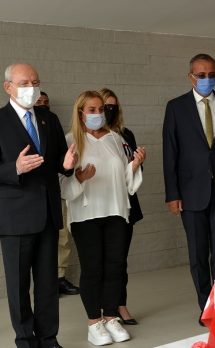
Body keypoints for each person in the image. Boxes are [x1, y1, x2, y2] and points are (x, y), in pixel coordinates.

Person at [0, 63, 81, 348]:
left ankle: (49, 342)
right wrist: (15, 168)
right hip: (15, 217)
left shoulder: (49, 118)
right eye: (24, 83)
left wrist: (67, 164)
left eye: (35, 82)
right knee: (19, 287)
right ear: (8, 86)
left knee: (48, 285)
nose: (31, 88)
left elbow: (57, 163)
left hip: (48, 214)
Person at [163, 53, 215, 326]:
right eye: (201, 75)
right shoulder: (176, 107)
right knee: (198, 254)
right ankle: (206, 305)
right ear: (191, 77)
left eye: (212, 75)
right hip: (190, 192)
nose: (207, 79)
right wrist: (173, 194)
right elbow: (170, 153)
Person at [61, 90, 145, 346]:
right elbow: (62, 186)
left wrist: (134, 165)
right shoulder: (70, 141)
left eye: (101, 109)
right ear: (80, 113)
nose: (99, 114)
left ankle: (110, 316)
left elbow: (126, 180)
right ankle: (94, 322)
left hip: (116, 211)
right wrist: (78, 178)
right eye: (92, 110)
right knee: (93, 268)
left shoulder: (116, 139)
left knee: (115, 266)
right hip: (86, 214)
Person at [99, 87, 142, 325]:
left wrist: (135, 163)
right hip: (102, 204)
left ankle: (120, 304)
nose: (109, 111)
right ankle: (103, 307)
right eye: (105, 106)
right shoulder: (89, 136)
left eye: (113, 107)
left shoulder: (126, 135)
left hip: (126, 204)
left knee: (119, 259)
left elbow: (136, 171)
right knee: (101, 261)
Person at [35, 91, 79, 296]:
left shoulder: (53, 126)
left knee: (61, 238)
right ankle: (43, 283)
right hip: (33, 194)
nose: (43, 105)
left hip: (57, 190)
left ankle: (59, 278)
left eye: (46, 102)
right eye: (39, 102)